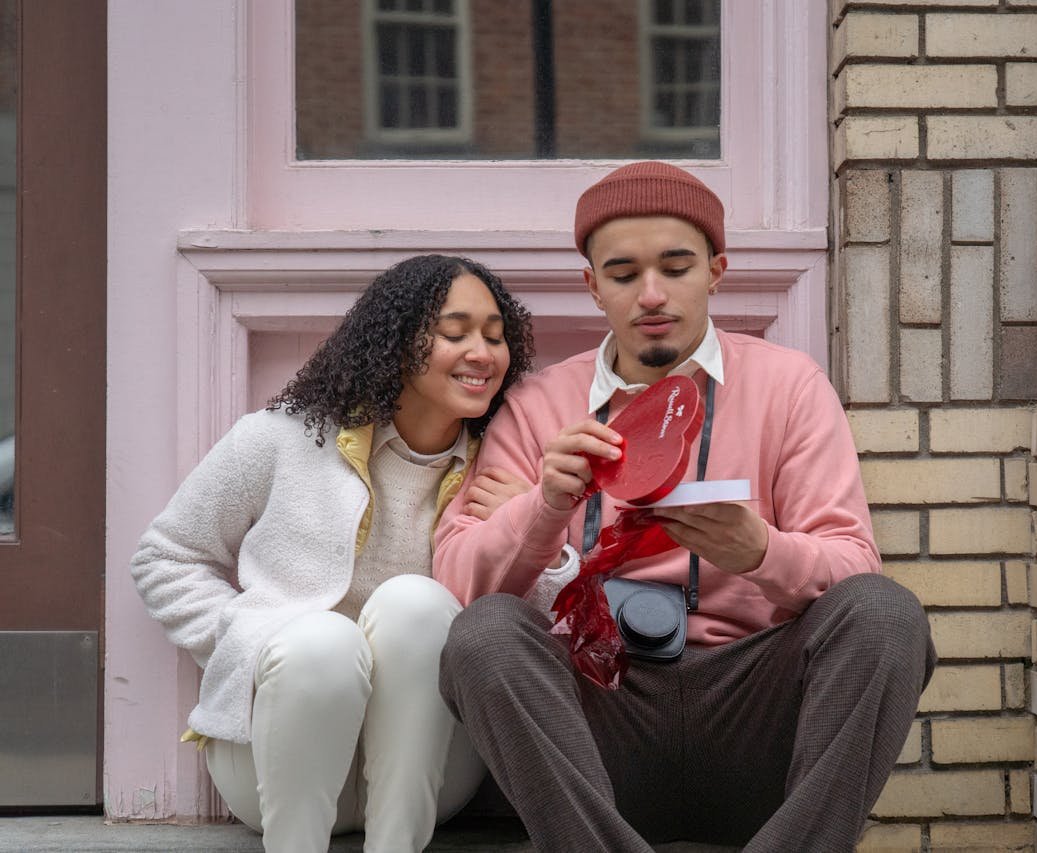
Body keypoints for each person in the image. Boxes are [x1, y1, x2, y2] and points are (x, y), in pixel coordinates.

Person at [433, 162, 937, 851]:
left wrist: (760, 551)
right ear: (592, 286)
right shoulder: (538, 404)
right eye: (622, 274)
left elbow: (853, 566)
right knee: (485, 633)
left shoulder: (789, 386)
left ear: (716, 269)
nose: (651, 294)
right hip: (595, 724)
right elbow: (457, 585)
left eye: (676, 266)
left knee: (886, 614)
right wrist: (543, 509)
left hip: (753, 710)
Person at [130, 254, 574, 853]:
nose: (483, 353)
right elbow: (167, 556)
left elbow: (551, 620)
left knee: (415, 603)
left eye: (495, 337)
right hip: (270, 766)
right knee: (322, 640)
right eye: (454, 332)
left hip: (430, 776)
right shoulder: (285, 437)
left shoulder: (505, 466)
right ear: (395, 341)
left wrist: (536, 525)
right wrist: (242, 638)